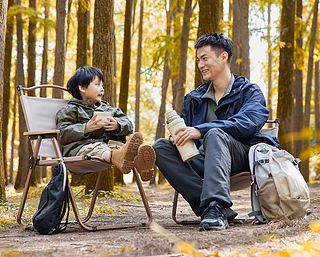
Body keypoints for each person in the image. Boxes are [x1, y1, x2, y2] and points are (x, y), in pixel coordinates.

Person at [153, 33, 279, 231]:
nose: (200, 65)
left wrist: (199, 130)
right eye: (198, 60)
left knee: (215, 134)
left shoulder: (249, 91)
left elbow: (248, 123)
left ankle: (216, 205)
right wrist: (179, 138)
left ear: (223, 57)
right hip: (202, 160)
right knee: (160, 147)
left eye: (204, 58)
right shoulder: (193, 98)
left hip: (241, 157)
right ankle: (213, 209)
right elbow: (188, 135)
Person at [56, 66, 156, 181]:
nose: (102, 89)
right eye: (97, 85)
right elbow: (62, 133)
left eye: (102, 85)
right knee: (100, 148)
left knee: (121, 147)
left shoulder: (108, 109)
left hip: (107, 147)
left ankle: (140, 160)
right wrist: (85, 128)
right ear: (82, 88)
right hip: (80, 150)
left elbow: (128, 125)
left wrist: (118, 125)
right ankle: (120, 157)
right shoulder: (70, 109)